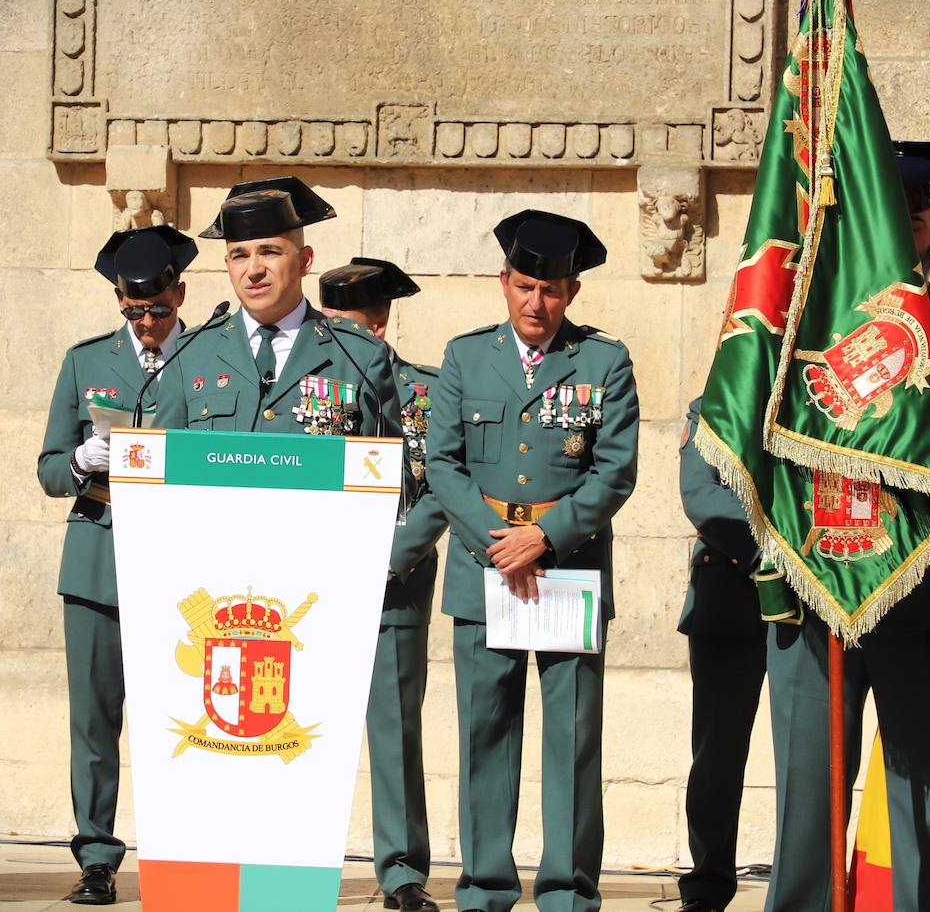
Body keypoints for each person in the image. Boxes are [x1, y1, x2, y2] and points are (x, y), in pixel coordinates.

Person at [763, 141, 930, 912]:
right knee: (808, 805)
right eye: (883, 221)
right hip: (817, 589)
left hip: (921, 589)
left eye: (914, 221)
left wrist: (895, 334)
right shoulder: (794, 321)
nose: (900, 236)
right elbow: (735, 434)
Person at [425, 210, 639, 912]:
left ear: (571, 292)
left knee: (572, 740)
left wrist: (544, 539)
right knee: (485, 732)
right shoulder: (465, 357)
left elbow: (614, 472)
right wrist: (500, 541)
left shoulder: (604, 362)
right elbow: (442, 464)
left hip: (567, 569)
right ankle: (485, 886)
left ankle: (568, 891)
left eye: (550, 290)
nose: (535, 304)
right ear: (503, 283)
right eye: (523, 287)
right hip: (482, 566)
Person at [37, 224, 197, 905]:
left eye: (159, 309)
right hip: (98, 563)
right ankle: (97, 858)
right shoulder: (86, 362)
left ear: (180, 294)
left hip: (178, 568)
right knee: (95, 723)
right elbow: (47, 469)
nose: (148, 324)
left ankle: (180, 855)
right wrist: (79, 460)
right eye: (134, 312)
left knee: (181, 724)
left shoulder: (209, 357)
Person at [319, 258, 448, 912]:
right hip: (308, 584)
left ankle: (401, 871)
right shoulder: (303, 386)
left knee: (395, 730)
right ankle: (290, 858)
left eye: (345, 325)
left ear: (379, 321)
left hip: (392, 583)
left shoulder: (422, 391)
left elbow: (439, 488)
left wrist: (384, 556)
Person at [153, 176, 400, 437]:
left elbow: (390, 470)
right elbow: (160, 462)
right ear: (228, 264)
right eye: (240, 256)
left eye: (269, 252)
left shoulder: (357, 354)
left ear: (305, 261)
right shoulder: (190, 353)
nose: (254, 270)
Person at [675, 398, 766, 912]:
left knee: (812, 756)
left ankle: (814, 880)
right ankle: (708, 885)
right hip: (731, 594)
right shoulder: (711, 408)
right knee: (717, 755)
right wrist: (777, 554)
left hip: (819, 596)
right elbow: (702, 495)